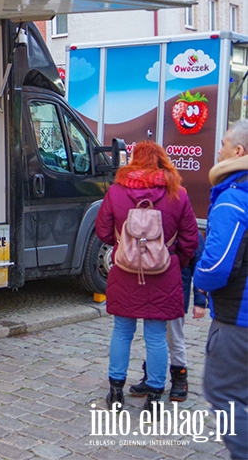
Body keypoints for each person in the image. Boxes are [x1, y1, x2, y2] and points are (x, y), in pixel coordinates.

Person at [95, 141, 199, 411]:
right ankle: (154, 396)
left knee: (122, 330)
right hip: (163, 273)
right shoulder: (178, 193)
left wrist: (124, 247)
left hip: (125, 272)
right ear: (161, 161)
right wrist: (173, 261)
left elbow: (103, 231)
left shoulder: (116, 192)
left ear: (133, 160)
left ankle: (116, 392)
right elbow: (190, 240)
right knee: (155, 336)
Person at [194, 120, 248, 460]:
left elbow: (215, 267)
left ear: (238, 152)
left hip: (236, 321)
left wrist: (198, 282)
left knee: (223, 392)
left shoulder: (233, 200)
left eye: (224, 143)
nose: (219, 149)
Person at [128, 244, 208, 402]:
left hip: (176, 297)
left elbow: (199, 268)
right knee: (153, 340)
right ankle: (152, 376)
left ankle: (179, 376)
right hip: (153, 295)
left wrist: (200, 301)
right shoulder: (156, 227)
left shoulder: (191, 234)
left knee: (174, 338)